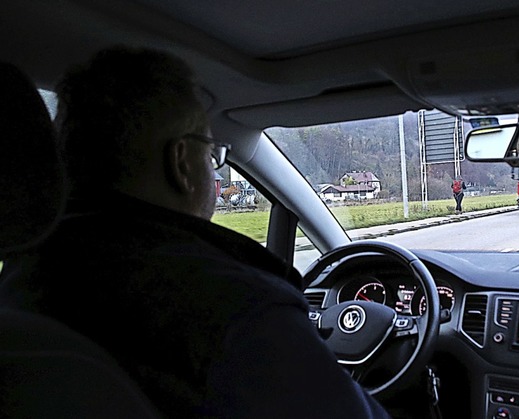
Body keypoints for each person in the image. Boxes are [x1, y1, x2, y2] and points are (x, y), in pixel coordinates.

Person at [0, 47, 390, 418]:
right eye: (211, 152)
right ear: (182, 162)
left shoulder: (20, 283)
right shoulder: (241, 316)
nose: (214, 168)